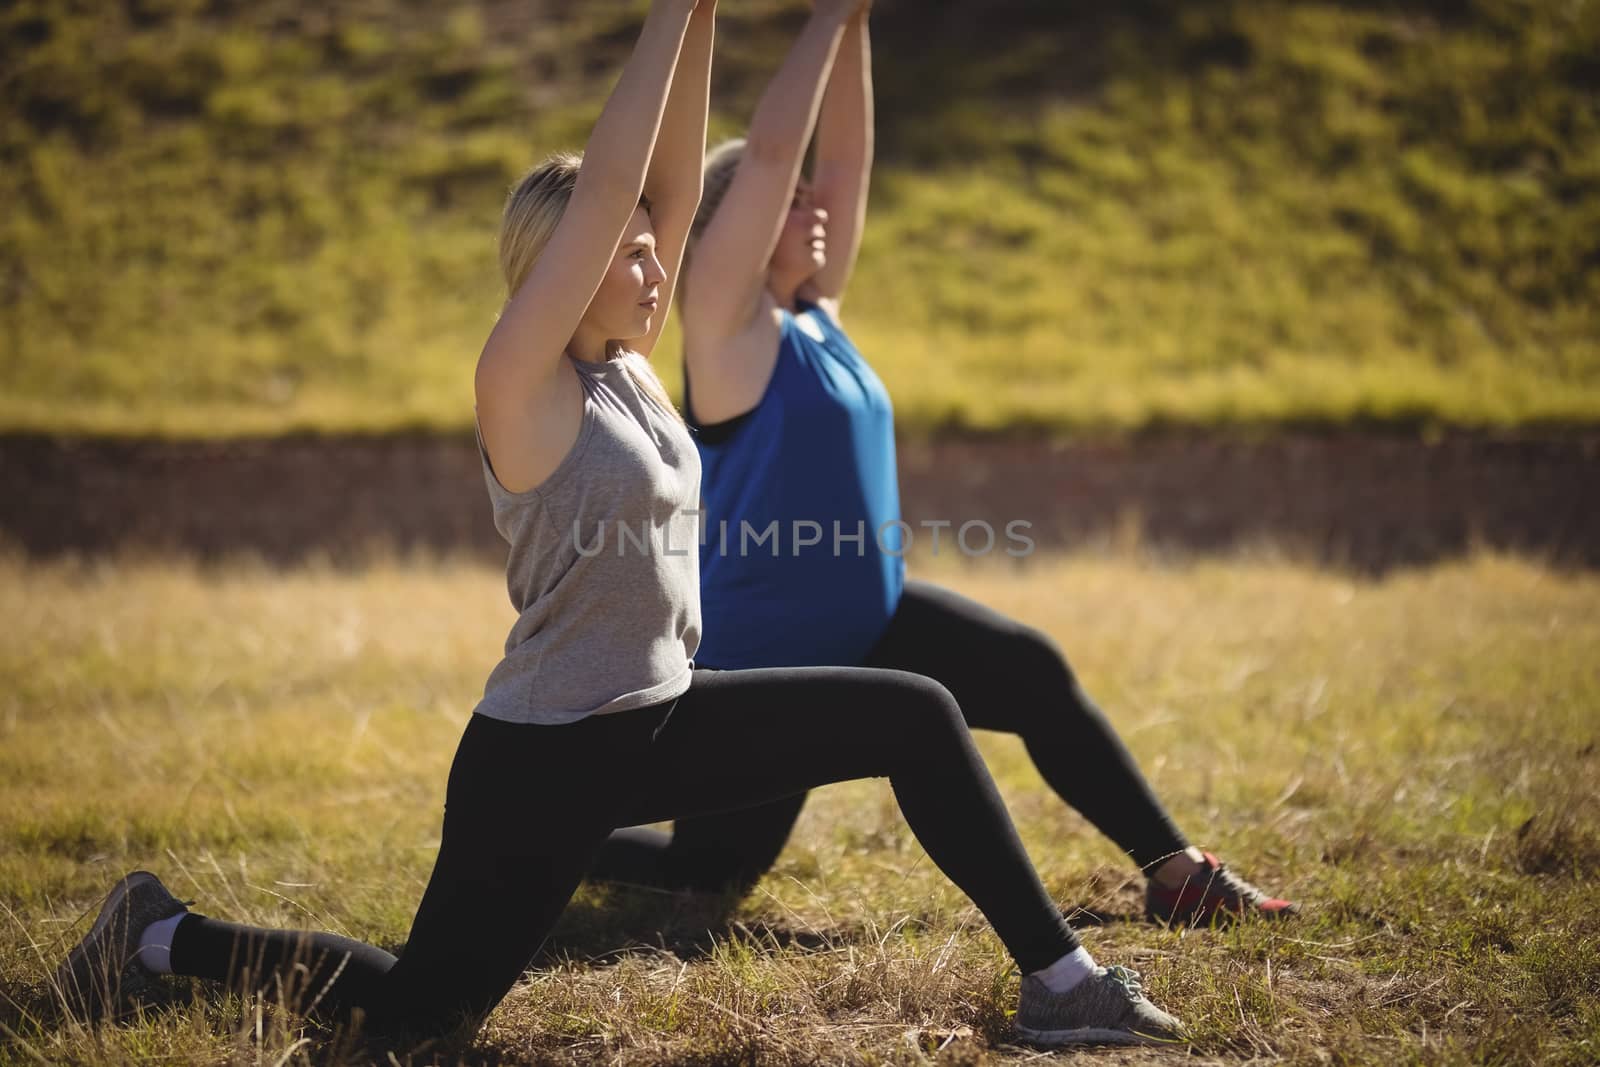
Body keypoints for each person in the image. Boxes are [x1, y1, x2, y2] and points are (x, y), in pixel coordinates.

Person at [56, 0, 1183, 1048]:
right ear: (561, 268)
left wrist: (700, 22)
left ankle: (1062, 981)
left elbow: (667, 189)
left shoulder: (636, 372)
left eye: (655, 253)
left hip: (661, 713)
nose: (654, 269)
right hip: (544, 753)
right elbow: (609, 190)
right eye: (627, 256)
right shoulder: (522, 383)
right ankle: (158, 931)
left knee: (917, 714)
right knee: (421, 1016)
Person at [588, 0, 1297, 929]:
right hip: (772, 663)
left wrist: (857, 28)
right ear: (733, 235)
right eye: (794, 202)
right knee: (708, 878)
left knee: (1034, 672)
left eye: (812, 200)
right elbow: (770, 158)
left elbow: (845, 163)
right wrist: (825, 16)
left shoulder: (818, 320)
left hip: (872, 622)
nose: (816, 207)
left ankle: (1177, 874)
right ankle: (551, 827)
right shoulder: (728, 333)